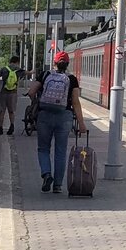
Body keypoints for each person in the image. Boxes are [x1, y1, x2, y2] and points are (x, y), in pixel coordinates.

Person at [26, 51, 86, 193]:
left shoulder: (45, 75)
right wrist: (82, 124)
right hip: (64, 116)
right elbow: (76, 102)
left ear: (54, 62)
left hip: (44, 115)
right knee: (60, 152)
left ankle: (46, 174)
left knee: (43, 148)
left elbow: (31, 92)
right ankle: (58, 186)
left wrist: (37, 102)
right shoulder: (72, 79)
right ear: (67, 64)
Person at [0, 55, 23, 136]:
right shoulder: (18, 69)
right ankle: (12, 126)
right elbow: (26, 73)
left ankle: (0, 128)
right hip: (13, 93)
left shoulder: (4, 69)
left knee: (2, 111)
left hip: (3, 93)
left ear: (10, 61)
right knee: (11, 111)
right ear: (17, 62)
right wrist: (32, 72)